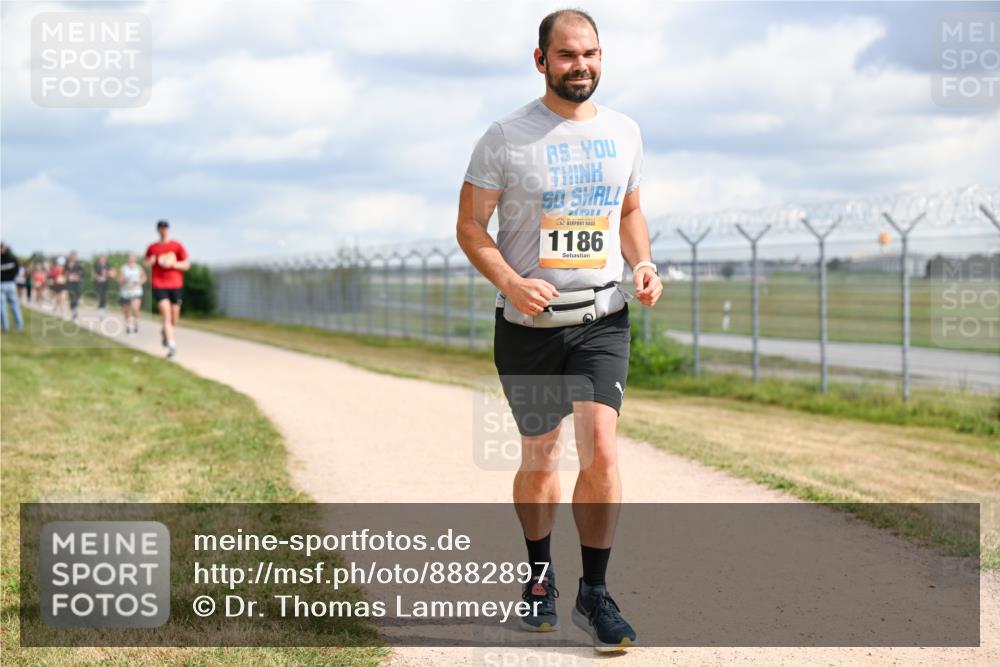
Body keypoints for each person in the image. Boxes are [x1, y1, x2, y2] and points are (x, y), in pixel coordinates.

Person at [456, 9, 662, 652]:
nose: (583, 66)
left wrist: (643, 263)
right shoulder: (505, 137)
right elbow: (469, 227)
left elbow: (628, 210)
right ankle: (539, 577)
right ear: (541, 60)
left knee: (601, 447)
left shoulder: (625, 132)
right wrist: (511, 282)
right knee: (541, 456)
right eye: (569, 55)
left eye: (593, 54)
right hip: (529, 327)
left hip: (601, 319)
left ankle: (595, 594)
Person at [144, 220, 189, 357]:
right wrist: (150, 262)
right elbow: (146, 263)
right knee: (166, 315)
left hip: (175, 285)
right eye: (161, 228)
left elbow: (186, 265)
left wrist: (172, 264)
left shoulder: (177, 246)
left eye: (165, 228)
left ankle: (165, 332)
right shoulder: (153, 247)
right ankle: (172, 346)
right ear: (157, 230)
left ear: (168, 229)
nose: (163, 230)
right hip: (159, 284)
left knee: (174, 318)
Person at [118, 253, 146, 334]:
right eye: (129, 258)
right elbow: (120, 280)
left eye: (132, 258)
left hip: (136, 291)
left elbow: (144, 277)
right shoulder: (123, 268)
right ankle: (128, 325)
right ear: (127, 259)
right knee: (126, 310)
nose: (131, 260)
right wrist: (124, 280)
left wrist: (139, 282)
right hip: (125, 292)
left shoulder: (139, 267)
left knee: (135, 308)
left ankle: (136, 322)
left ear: (135, 259)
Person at [0, 242, 25, 332]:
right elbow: (17, 270)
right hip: (11, 284)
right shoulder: (12, 258)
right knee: (13, 306)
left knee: (4, 307)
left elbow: (17, 270)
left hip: (4, 284)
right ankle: (19, 326)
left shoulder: (10, 258)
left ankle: (6, 327)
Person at [65, 251, 86, 320]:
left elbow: (82, 273)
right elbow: (64, 272)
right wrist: (68, 274)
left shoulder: (79, 264)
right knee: (72, 297)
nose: (73, 258)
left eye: (74, 256)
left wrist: (77, 276)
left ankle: (75, 309)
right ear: (69, 257)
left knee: (77, 296)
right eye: (72, 256)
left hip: (77, 283)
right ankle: (73, 312)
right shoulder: (66, 264)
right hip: (70, 284)